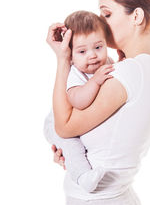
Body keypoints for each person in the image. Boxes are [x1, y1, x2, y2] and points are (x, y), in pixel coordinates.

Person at [45, 0, 150, 205]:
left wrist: (63, 60)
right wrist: (72, 152)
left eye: (106, 14)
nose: (100, 23)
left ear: (136, 16)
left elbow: (64, 125)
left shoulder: (128, 72)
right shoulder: (147, 67)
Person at [44, 10, 115, 192]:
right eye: (82, 51)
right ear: (72, 56)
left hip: (69, 118)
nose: (92, 55)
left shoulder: (105, 61)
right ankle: (84, 178)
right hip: (55, 123)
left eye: (98, 47)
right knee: (72, 146)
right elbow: (79, 101)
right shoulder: (74, 73)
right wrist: (95, 81)